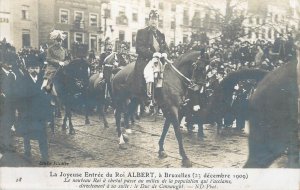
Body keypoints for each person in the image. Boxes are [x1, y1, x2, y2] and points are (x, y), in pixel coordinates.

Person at [16, 53, 51, 162]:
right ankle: (27, 151)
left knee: (43, 135)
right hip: (28, 113)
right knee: (27, 134)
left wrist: (48, 89)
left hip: (40, 113)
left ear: (40, 69)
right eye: (32, 68)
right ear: (27, 69)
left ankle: (45, 157)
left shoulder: (43, 80)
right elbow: (21, 97)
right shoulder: (22, 80)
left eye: (37, 68)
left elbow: (47, 97)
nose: (35, 70)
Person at [132, 9, 169, 98]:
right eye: (152, 18)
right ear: (149, 20)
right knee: (147, 75)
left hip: (159, 61)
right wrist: (152, 54)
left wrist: (165, 53)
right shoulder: (141, 32)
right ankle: (148, 97)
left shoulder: (160, 34)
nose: (154, 21)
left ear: (158, 21)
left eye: (156, 19)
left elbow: (166, 48)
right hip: (145, 60)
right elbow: (139, 48)